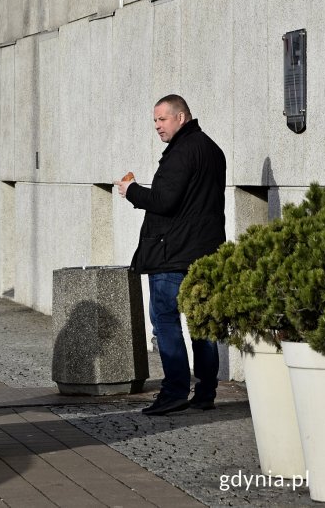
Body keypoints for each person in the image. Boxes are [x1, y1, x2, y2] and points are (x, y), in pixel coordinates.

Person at [114, 94, 226, 416]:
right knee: (202, 323)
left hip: (173, 254)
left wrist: (131, 191)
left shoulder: (181, 152)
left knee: (165, 320)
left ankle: (175, 390)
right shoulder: (212, 150)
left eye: (162, 119)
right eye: (155, 120)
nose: (157, 127)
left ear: (181, 117)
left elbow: (165, 201)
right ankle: (205, 392)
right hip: (205, 253)